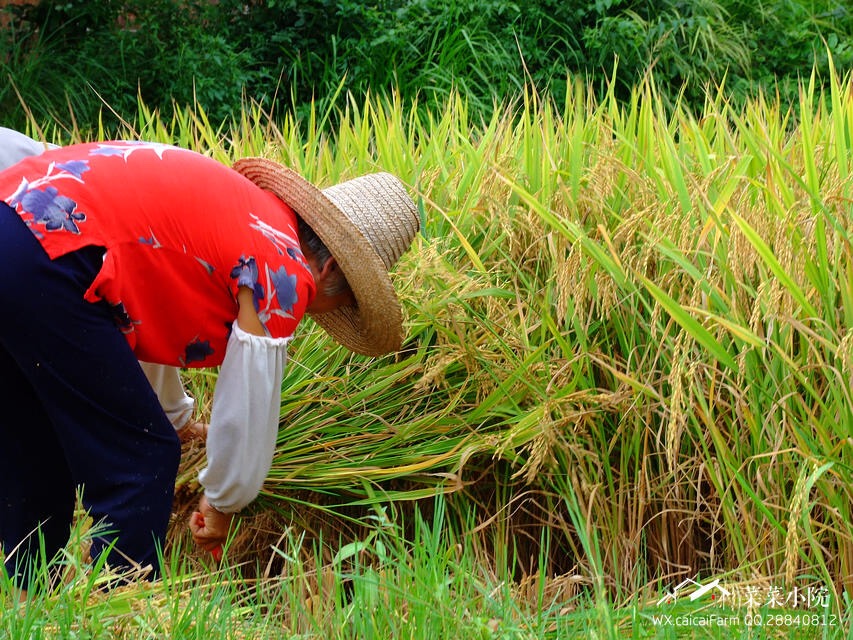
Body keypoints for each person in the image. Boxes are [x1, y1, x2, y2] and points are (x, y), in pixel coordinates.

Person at [0, 133, 420, 590]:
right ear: (331, 269)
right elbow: (250, 399)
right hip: (52, 251)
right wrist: (222, 500)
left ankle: (29, 601)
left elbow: (143, 308)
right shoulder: (283, 265)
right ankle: (116, 613)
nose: (314, 313)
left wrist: (176, 418)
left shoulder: (246, 215)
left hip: (16, 223)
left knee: (35, 440)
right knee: (142, 458)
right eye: (337, 303)